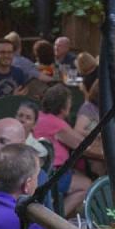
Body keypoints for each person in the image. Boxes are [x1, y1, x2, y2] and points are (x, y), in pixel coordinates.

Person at [35, 83, 92, 216]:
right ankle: (55, 220)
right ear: (63, 107)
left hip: (38, 171)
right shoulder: (57, 124)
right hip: (51, 174)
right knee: (87, 185)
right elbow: (83, 146)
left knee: (80, 175)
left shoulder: (40, 116)